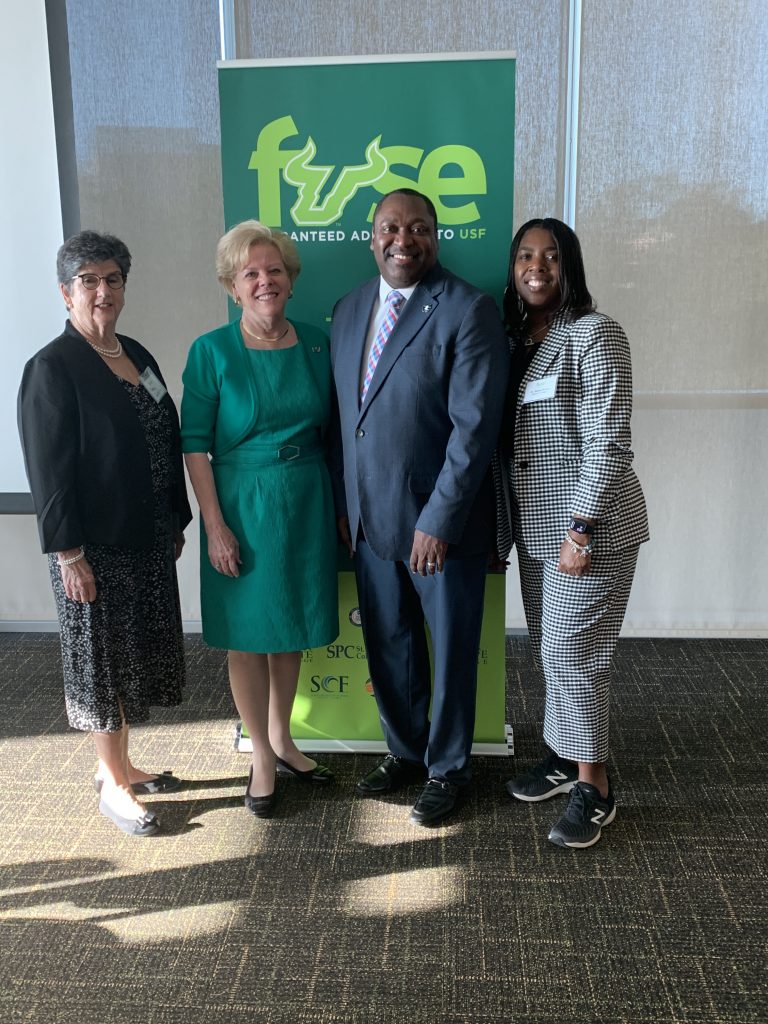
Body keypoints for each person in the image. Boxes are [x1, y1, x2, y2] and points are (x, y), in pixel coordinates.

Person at [329, 188, 509, 826]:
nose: (403, 239)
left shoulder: (468, 309)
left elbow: (474, 430)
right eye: (390, 227)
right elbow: (344, 420)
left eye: (418, 228)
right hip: (371, 522)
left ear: (436, 236)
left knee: (454, 647)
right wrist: (346, 503)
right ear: (370, 235)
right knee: (391, 643)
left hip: (442, 527)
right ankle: (405, 752)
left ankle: (449, 768)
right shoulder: (349, 309)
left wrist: (438, 519)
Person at [18, 230, 192, 838]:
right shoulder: (51, 366)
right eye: (88, 280)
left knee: (132, 653)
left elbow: (164, 438)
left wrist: (175, 515)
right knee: (101, 662)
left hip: (144, 535)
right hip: (91, 548)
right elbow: (50, 472)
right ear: (65, 292)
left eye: (112, 279)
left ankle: (121, 762)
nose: (102, 291)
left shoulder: (136, 354)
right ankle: (112, 784)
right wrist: (68, 553)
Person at [496, 217, 649, 848]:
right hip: (536, 530)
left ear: (571, 266)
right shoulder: (519, 339)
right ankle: (563, 758)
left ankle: (595, 787)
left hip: (590, 531)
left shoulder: (596, 335)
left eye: (552, 257)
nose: (537, 267)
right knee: (550, 653)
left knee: (575, 657)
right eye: (526, 256)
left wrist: (581, 528)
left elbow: (607, 442)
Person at [181, 221, 338, 819]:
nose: (265, 281)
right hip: (240, 505)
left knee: (290, 626)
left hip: (305, 501)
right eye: (251, 273)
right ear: (232, 286)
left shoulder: (320, 344)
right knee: (248, 637)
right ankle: (261, 759)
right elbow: (195, 444)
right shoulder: (210, 351)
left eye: (275, 270)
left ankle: (283, 739)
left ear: (291, 280)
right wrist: (214, 526)